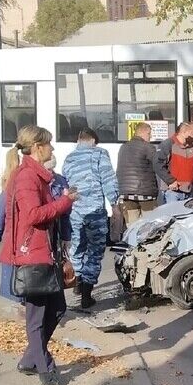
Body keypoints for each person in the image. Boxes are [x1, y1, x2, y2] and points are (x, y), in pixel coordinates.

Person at [0, 126, 77, 385]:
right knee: (37, 315)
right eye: (49, 145)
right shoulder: (26, 178)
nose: (53, 149)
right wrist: (64, 203)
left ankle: (30, 359)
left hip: (43, 252)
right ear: (37, 148)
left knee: (57, 308)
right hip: (31, 254)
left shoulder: (37, 176)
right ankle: (46, 368)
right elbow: (33, 215)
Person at [0, 150, 72, 310]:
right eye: (48, 170)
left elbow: (64, 215)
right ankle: (27, 312)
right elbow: (4, 209)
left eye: (52, 170)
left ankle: (31, 312)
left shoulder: (57, 181)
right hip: (31, 241)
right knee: (27, 284)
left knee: (32, 285)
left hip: (40, 241)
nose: (50, 174)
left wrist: (66, 236)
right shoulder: (28, 180)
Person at [62, 128, 120, 310]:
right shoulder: (100, 154)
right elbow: (108, 179)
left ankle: (78, 282)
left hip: (75, 211)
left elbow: (65, 183)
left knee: (77, 247)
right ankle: (87, 293)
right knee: (95, 250)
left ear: (79, 139)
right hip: (95, 211)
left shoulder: (69, 158)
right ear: (94, 140)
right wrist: (115, 203)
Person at [116, 122, 163, 226]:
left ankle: (133, 242)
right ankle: (145, 243)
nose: (150, 137)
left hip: (126, 193)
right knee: (149, 225)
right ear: (143, 132)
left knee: (132, 225)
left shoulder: (123, 147)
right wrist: (170, 180)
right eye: (149, 134)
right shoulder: (148, 147)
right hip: (146, 193)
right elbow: (158, 165)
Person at [157, 121, 193, 201]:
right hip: (173, 192)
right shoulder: (168, 144)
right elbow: (158, 164)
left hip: (188, 191)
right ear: (184, 132)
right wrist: (170, 181)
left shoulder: (191, 148)